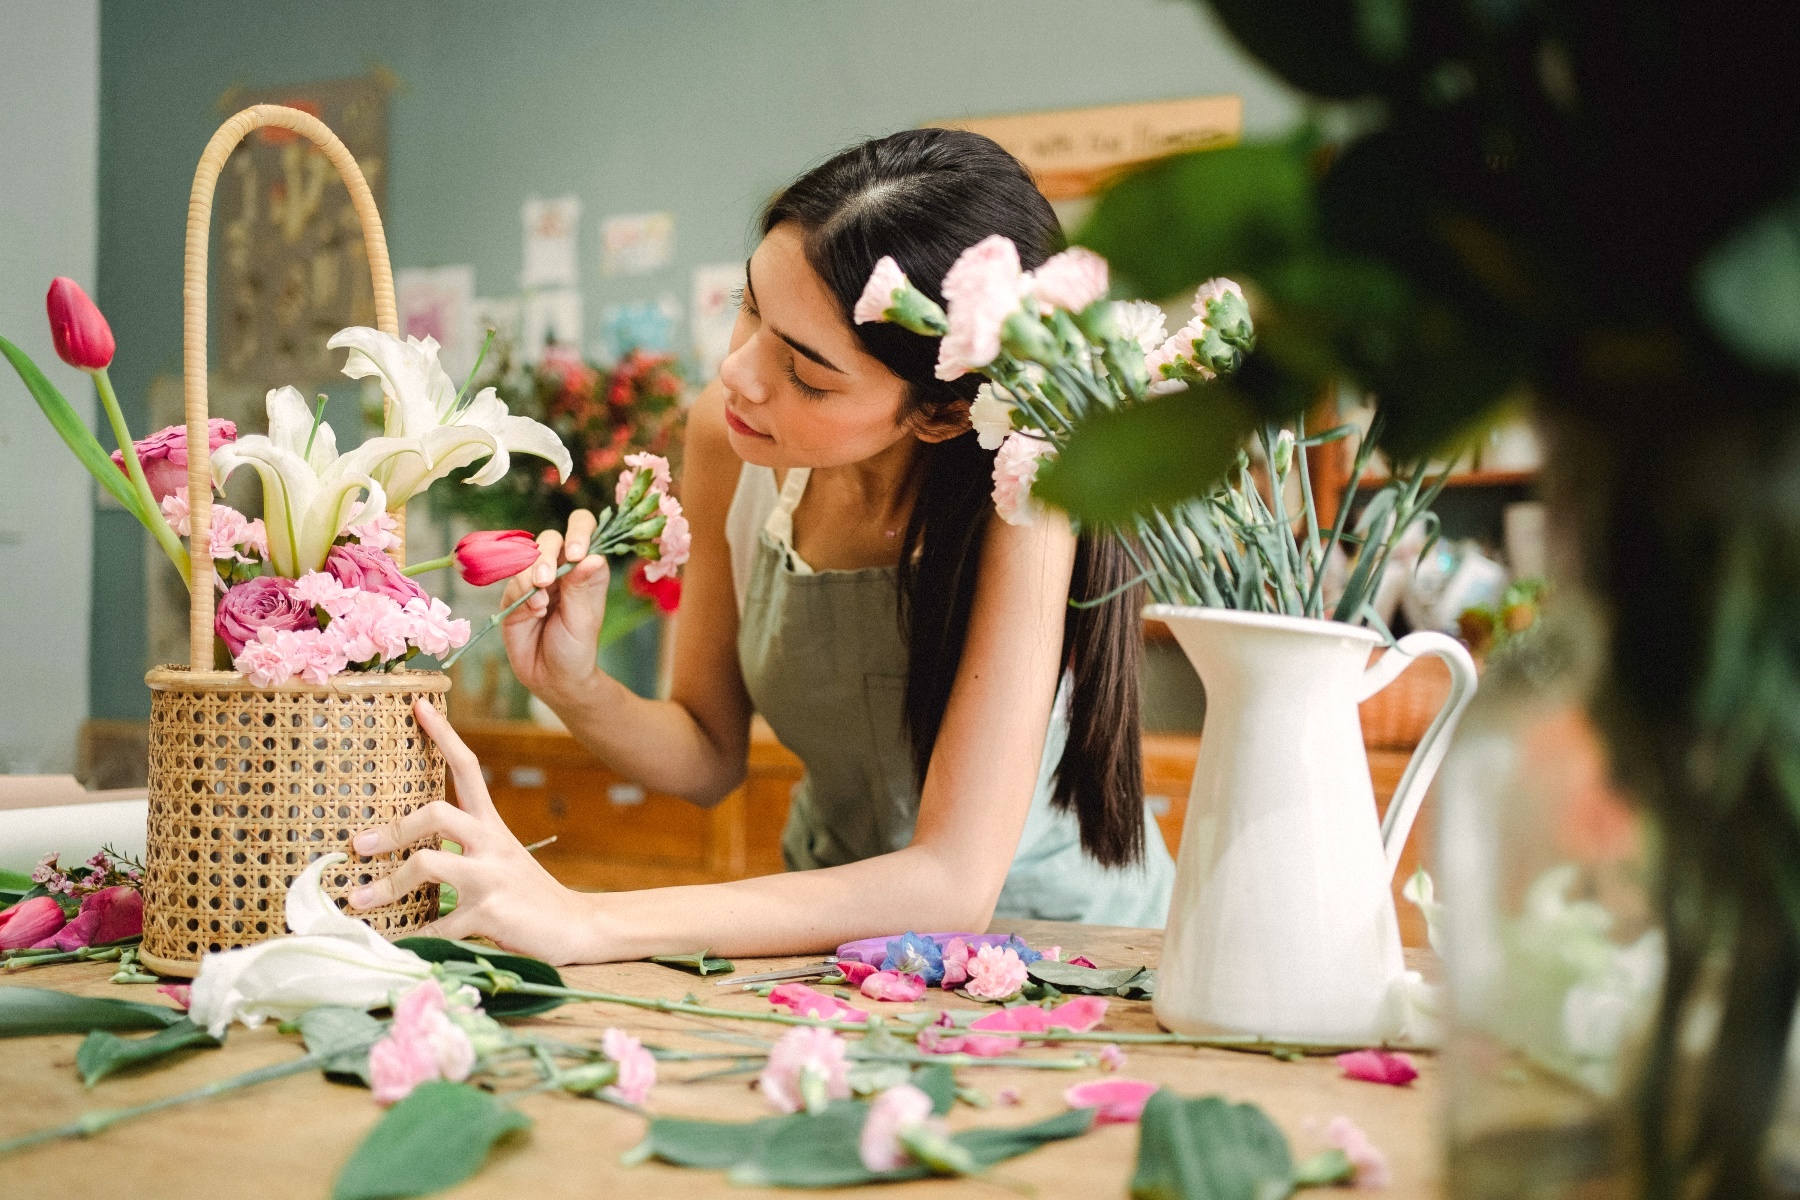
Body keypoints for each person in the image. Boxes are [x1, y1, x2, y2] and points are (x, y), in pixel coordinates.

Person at [347, 128, 1175, 964]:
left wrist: (587, 919)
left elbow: (953, 884)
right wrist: (576, 685)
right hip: (829, 937)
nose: (739, 374)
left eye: (807, 373)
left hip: (1051, 948)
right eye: (750, 307)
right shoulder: (728, 438)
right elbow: (708, 753)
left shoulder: (1030, 494)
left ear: (943, 411)